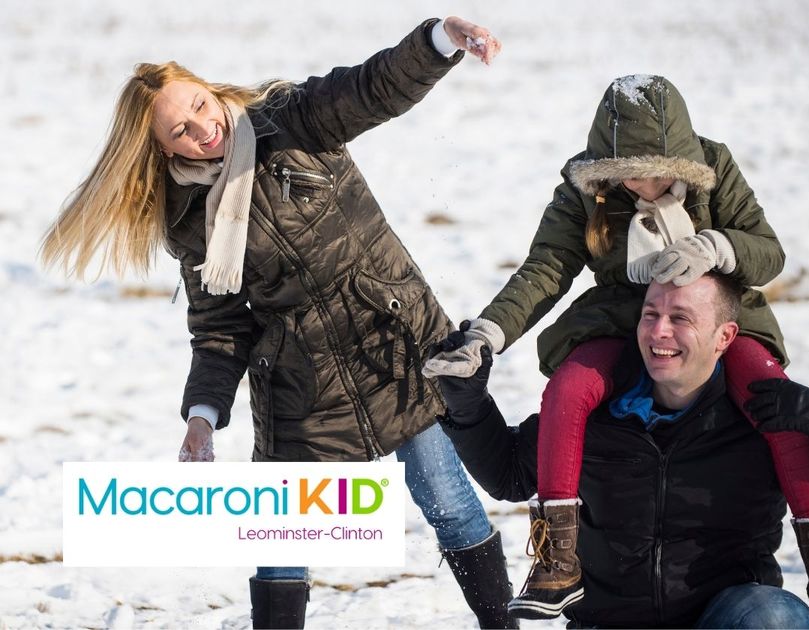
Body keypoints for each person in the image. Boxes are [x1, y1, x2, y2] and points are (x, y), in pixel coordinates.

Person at [40, 18, 517, 630]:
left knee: (449, 504)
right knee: (282, 540)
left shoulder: (291, 119)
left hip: (393, 343)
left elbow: (371, 88)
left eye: (201, 106)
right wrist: (201, 417)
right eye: (181, 130)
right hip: (300, 381)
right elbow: (218, 328)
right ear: (165, 149)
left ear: (210, 89)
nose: (203, 129)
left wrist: (439, 41)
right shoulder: (188, 221)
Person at [423, 73, 809, 623]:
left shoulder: (715, 171)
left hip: (717, 312)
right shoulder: (583, 187)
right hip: (619, 320)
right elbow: (545, 269)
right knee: (568, 390)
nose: (641, 185)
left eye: (653, 171)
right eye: (626, 175)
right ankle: (558, 558)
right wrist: (486, 336)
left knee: (773, 401)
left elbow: (768, 252)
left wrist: (719, 247)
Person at [436, 274, 809, 629]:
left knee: (774, 617)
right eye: (649, 314)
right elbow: (509, 477)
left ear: (725, 337)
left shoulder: (765, 421)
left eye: (680, 318)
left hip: (726, 613)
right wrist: (468, 404)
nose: (658, 332)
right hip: (609, 621)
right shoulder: (595, 414)